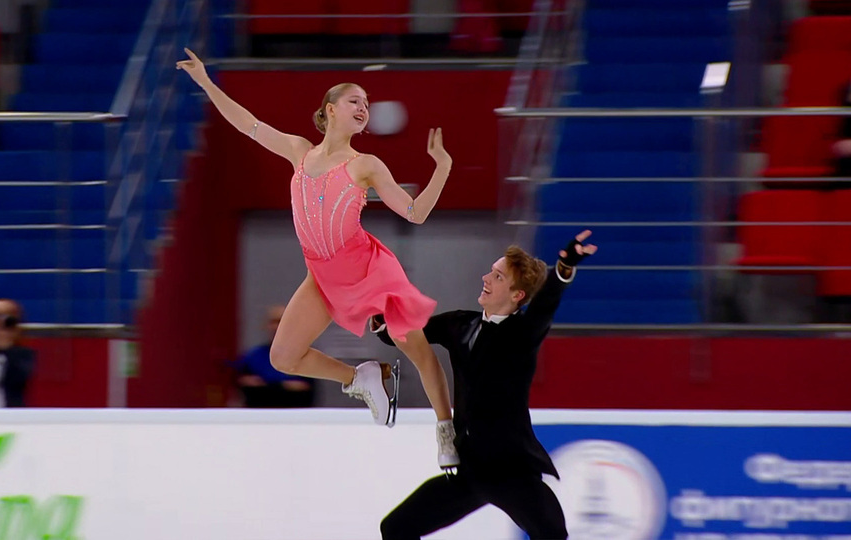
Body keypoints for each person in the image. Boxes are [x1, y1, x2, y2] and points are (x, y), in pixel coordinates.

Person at [177, 48, 459, 467]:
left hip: (368, 270)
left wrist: (443, 168)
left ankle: (446, 429)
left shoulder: (366, 164)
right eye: (355, 101)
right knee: (282, 356)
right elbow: (247, 123)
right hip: (322, 276)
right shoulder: (299, 150)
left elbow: (415, 213)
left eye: (366, 104)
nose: (363, 108)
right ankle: (360, 377)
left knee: (417, 350)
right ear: (330, 109)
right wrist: (205, 82)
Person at [375, 231, 598, 540]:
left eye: (497, 276)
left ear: (517, 295)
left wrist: (563, 269)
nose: (486, 278)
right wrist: (379, 316)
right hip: (470, 471)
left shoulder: (522, 334)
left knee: (552, 533)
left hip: (512, 471)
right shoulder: (459, 324)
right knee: (396, 527)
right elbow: (409, 333)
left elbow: (545, 305)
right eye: (491, 271)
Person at [234, 305, 315, 408]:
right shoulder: (253, 356)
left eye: (282, 321)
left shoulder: (304, 355)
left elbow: (306, 389)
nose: (277, 327)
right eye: (274, 322)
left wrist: (268, 385)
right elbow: (244, 384)